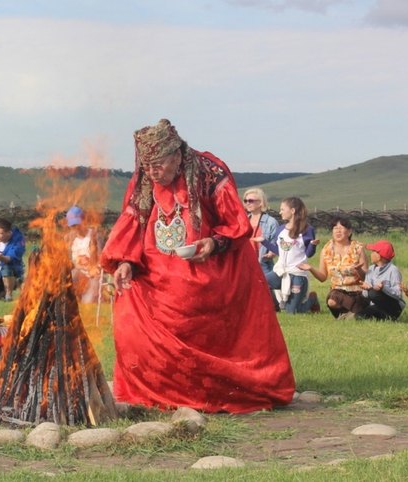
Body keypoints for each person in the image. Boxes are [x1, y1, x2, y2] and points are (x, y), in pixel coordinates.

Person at [99, 118, 295, 414]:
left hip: (208, 264)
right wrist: (126, 260)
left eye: (159, 164)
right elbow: (133, 223)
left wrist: (214, 243)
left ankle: (214, 390)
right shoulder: (144, 179)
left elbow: (235, 224)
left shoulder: (209, 171)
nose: (153, 172)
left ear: (177, 155)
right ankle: (154, 390)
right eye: (147, 165)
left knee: (195, 303)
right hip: (154, 270)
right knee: (129, 310)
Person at [299, 216, 368, 319]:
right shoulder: (326, 250)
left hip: (357, 291)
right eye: (335, 228)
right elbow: (322, 277)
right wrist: (310, 268)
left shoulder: (358, 249)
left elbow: (366, 277)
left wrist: (358, 270)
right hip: (337, 292)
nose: (338, 231)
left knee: (360, 312)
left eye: (341, 228)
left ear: (349, 232)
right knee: (332, 301)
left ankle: (351, 314)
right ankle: (349, 314)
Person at [262, 197, 320, 313]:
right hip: (281, 271)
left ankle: (312, 300)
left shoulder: (307, 230)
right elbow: (280, 251)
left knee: (292, 312)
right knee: (260, 282)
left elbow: (308, 254)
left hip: (298, 274)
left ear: (292, 211)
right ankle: (275, 307)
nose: (280, 212)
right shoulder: (280, 229)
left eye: (282, 209)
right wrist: (264, 241)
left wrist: (312, 245)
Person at [356, 240, 404, 320]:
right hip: (377, 305)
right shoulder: (371, 269)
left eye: (373, 251)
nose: (370, 254)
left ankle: (392, 316)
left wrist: (383, 288)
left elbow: (398, 294)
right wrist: (367, 289)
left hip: (393, 306)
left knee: (373, 293)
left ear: (379, 256)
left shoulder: (393, 270)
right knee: (359, 316)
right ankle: (386, 318)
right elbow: (366, 294)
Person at [65, 206, 102, 304]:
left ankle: (97, 296)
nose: (75, 228)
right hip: (78, 273)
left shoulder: (93, 235)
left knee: (88, 302)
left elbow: (99, 258)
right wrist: (78, 261)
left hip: (93, 274)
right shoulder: (70, 238)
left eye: (77, 224)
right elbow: (70, 262)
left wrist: (91, 265)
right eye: (73, 225)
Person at [243, 187, 278, 275]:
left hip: (263, 265)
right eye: (245, 201)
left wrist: (272, 252)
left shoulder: (271, 222)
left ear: (260, 202)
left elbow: (276, 244)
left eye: (251, 201)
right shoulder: (243, 221)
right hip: (244, 264)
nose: (247, 203)